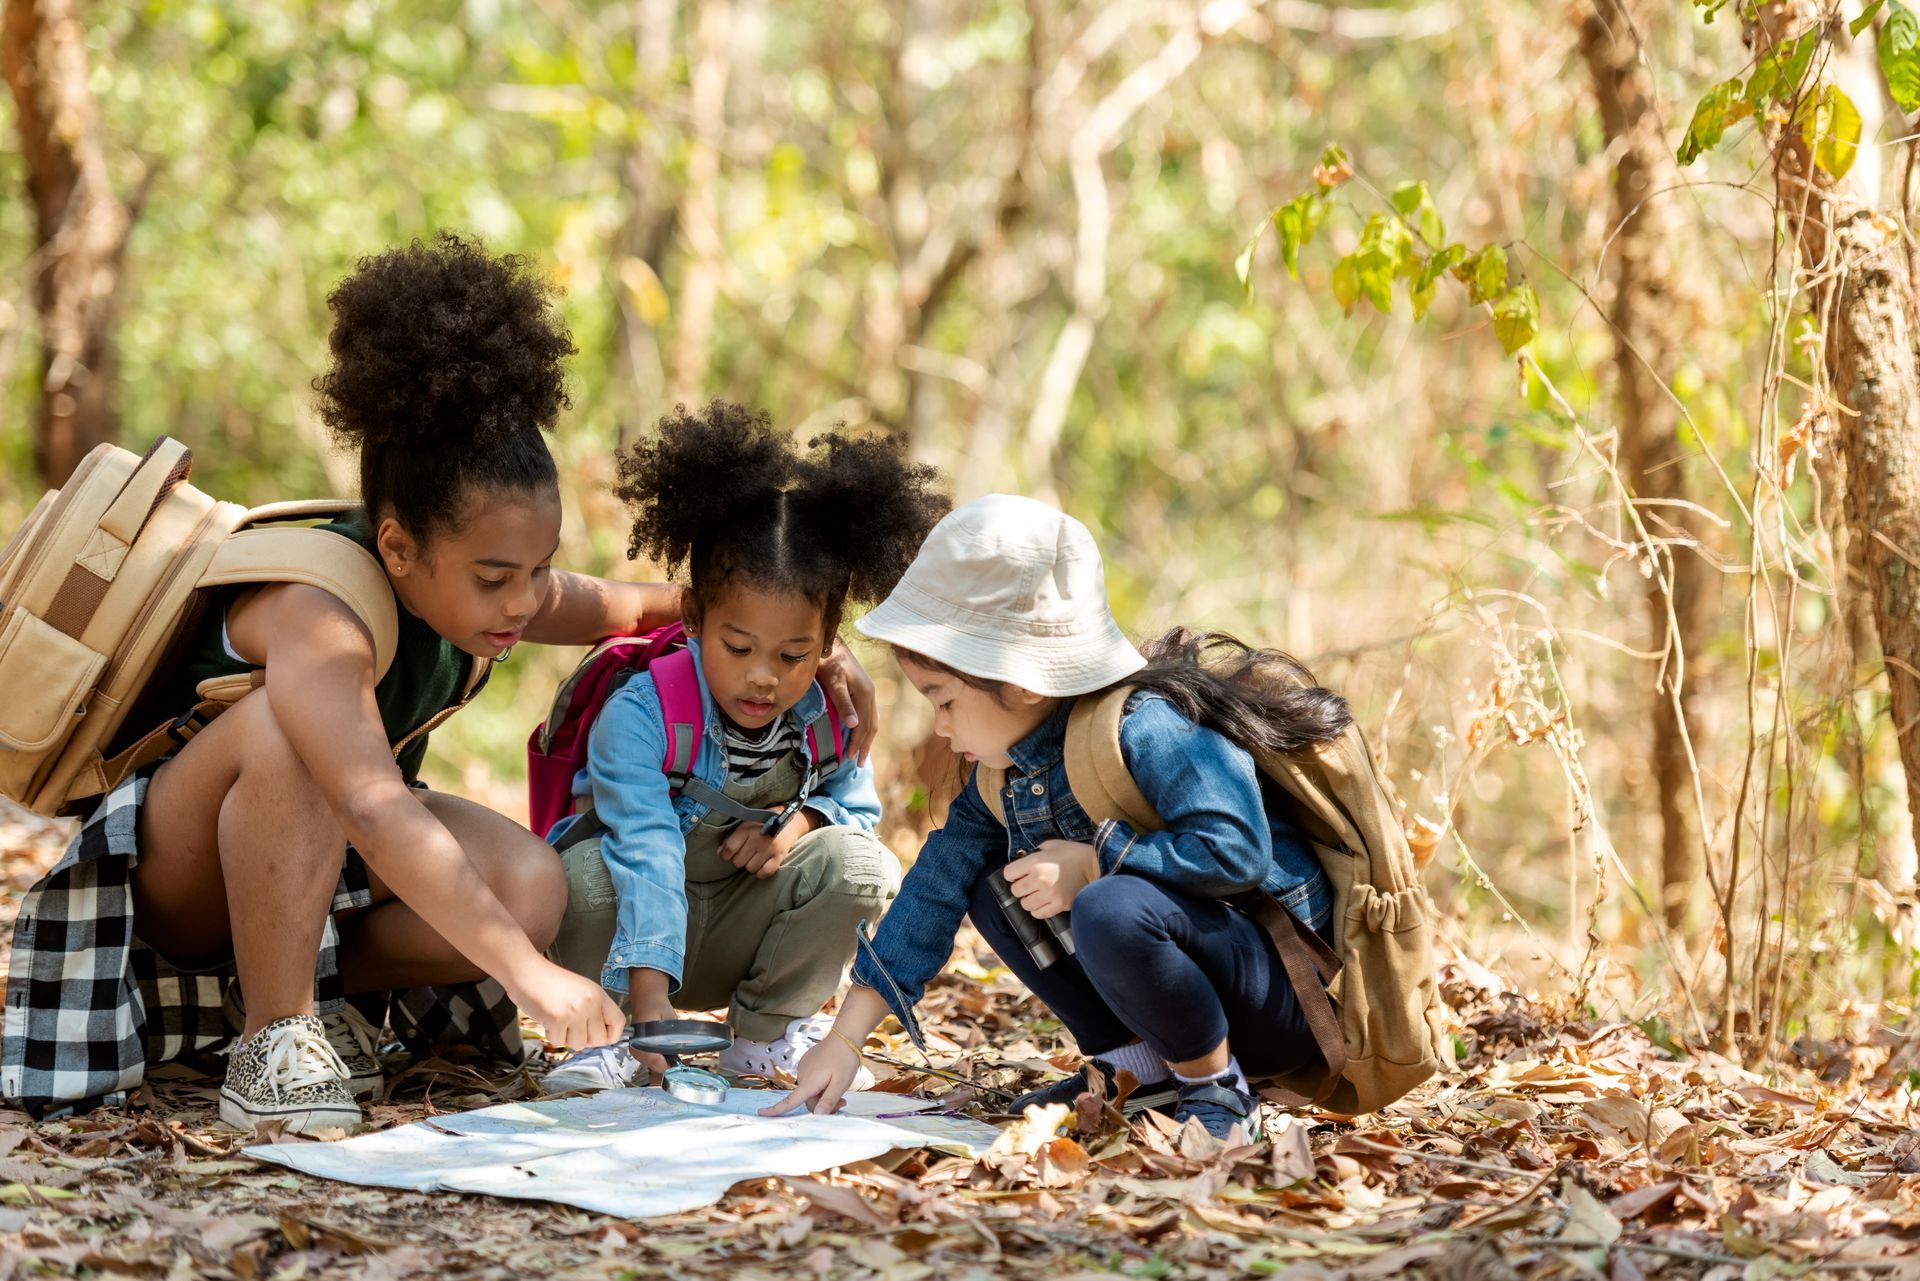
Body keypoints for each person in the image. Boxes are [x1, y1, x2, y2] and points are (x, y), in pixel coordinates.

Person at [1, 235, 878, 1132]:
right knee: (287, 733)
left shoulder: (468, 585)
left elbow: (614, 604)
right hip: (176, 886)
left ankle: (310, 998)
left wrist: (781, 638)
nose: (524, 599)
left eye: (537, 569)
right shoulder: (321, 616)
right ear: (396, 546)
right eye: (497, 577)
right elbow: (379, 809)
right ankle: (274, 1035)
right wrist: (529, 977)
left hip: (315, 866)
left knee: (536, 885)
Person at [763, 494, 1353, 1140]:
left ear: (1023, 683)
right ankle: (1137, 1067)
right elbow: (934, 887)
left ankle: (1218, 1089)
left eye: (946, 700)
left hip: (1275, 999)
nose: (940, 724)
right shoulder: (1005, 770)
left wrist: (1100, 859)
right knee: (993, 880)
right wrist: (845, 1042)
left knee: (1108, 905)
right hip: (1186, 994)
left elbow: (1239, 849)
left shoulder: (1147, 725)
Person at [541, 402, 947, 1092]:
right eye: (738, 647)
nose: (765, 675)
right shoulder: (642, 713)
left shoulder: (826, 713)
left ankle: (763, 1035)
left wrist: (801, 825)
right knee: (577, 874)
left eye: (794, 654)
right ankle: (605, 1034)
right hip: (625, 940)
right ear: (695, 616)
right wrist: (650, 1007)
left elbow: (856, 812)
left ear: (828, 646)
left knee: (862, 865)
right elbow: (645, 848)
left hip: (737, 928)